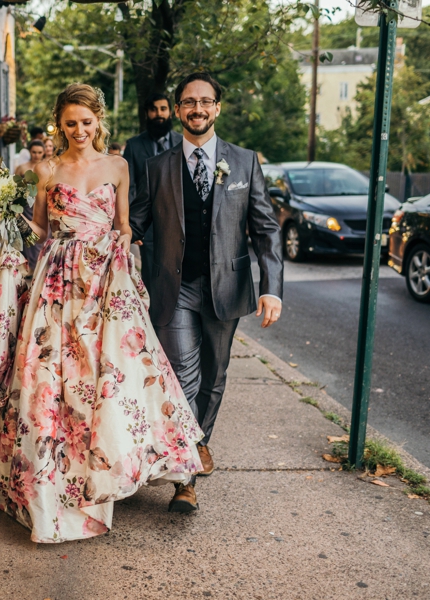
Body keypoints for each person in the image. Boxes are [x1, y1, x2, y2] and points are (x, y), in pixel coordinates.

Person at [0, 83, 205, 545]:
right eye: (70, 123)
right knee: (49, 376)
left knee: (109, 373)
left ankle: (108, 469)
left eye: (86, 122)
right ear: (60, 124)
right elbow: (39, 228)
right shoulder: (47, 168)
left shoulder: (117, 166)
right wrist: (3, 212)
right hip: (57, 280)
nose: (79, 130)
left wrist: (121, 248)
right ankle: (50, 482)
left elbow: (122, 224)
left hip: (105, 280)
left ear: (99, 122)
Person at [129, 72, 283, 487]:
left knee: (214, 378)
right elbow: (133, 225)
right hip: (173, 288)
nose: (197, 108)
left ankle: (196, 447)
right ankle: (186, 476)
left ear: (217, 108)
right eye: (189, 101)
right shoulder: (155, 167)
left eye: (205, 101)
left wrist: (271, 287)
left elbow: (266, 228)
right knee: (182, 374)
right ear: (178, 109)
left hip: (227, 288)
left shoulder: (245, 161)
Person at [123, 92, 183, 289]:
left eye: (163, 109)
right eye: (154, 109)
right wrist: (135, 223)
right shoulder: (134, 145)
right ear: (147, 113)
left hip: (180, 221)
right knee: (150, 274)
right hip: (148, 224)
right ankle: (152, 316)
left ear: (171, 112)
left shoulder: (183, 143)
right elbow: (129, 185)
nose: (159, 113)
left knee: (180, 272)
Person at [14, 140, 46, 270]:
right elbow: (14, 187)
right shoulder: (22, 168)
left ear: (43, 153)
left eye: (39, 152)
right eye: (34, 152)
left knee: (40, 236)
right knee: (26, 234)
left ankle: (39, 267)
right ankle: (28, 267)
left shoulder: (46, 167)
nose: (36, 155)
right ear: (29, 152)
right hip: (26, 206)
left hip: (42, 204)